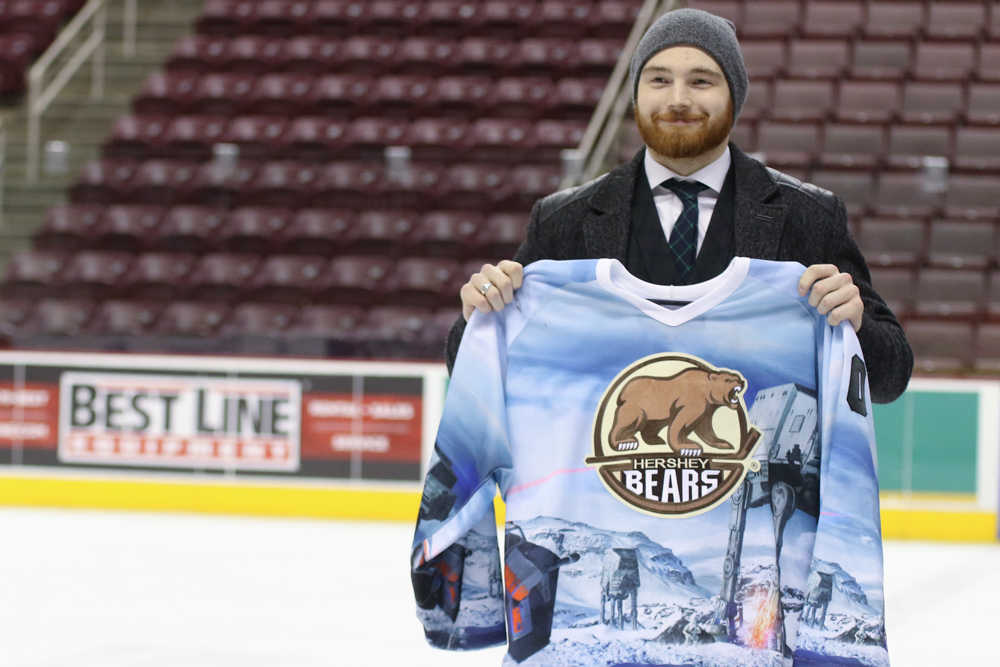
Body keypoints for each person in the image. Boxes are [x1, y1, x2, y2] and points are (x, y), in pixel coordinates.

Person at [447, 8, 912, 404]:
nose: (678, 99)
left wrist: (856, 324)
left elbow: (890, 380)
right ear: (635, 96)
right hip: (610, 495)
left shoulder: (808, 216)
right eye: (659, 80)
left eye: (702, 80)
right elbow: (476, 369)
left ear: (735, 97)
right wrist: (478, 316)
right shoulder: (562, 221)